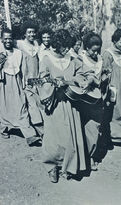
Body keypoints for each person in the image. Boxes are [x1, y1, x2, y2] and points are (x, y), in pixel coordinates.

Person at [38, 29, 86, 183]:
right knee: (53, 138)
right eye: (63, 47)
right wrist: (51, 86)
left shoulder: (72, 59)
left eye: (67, 46)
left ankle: (69, 166)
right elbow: (42, 80)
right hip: (55, 102)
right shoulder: (46, 59)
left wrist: (68, 81)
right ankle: (52, 167)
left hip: (71, 102)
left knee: (71, 136)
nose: (66, 49)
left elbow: (82, 75)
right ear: (56, 45)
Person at [0, 28, 40, 146]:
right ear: (1, 39)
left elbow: (23, 70)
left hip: (16, 81)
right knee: (4, 107)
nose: (7, 41)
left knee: (21, 106)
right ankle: (4, 128)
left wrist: (24, 82)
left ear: (13, 39)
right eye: (5, 38)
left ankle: (30, 135)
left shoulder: (18, 53)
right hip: (2, 83)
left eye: (10, 38)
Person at [74, 32, 104, 171]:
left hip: (96, 98)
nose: (95, 53)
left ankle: (90, 156)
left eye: (98, 50)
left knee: (94, 127)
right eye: (93, 50)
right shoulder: (79, 59)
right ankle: (81, 158)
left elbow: (102, 76)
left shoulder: (100, 60)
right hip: (81, 99)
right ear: (86, 47)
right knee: (79, 127)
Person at [16, 21, 43, 141]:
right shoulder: (20, 44)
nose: (32, 34)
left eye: (33, 32)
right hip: (26, 79)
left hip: (37, 79)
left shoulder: (37, 44)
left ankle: (39, 130)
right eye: (29, 32)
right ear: (25, 33)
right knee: (31, 106)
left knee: (39, 104)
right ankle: (38, 132)